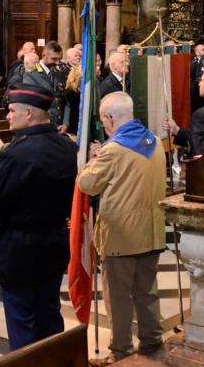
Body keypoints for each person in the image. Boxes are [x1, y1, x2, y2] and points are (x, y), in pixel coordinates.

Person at [0, 84, 76, 350]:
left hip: (20, 250)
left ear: (29, 114)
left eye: (12, 110)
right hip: (54, 243)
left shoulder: (17, 152)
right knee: (50, 317)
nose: (7, 115)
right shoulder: (67, 146)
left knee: (23, 324)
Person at [78, 92, 165, 360]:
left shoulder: (113, 150)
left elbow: (87, 184)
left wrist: (93, 159)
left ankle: (122, 352)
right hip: (151, 233)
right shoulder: (156, 142)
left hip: (121, 237)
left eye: (104, 121)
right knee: (147, 292)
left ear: (109, 118)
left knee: (118, 299)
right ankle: (152, 342)